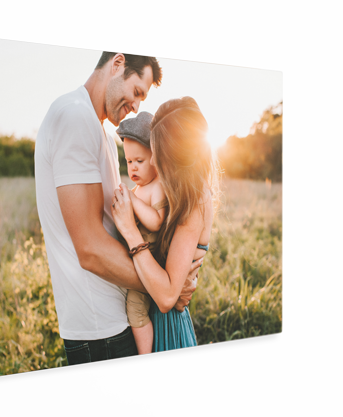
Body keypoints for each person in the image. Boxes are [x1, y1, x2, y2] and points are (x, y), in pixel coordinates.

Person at [35, 52, 202, 366]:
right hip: (102, 329)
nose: (137, 106)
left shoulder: (97, 129)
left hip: (113, 318)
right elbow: (90, 248)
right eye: (137, 92)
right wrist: (167, 289)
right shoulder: (74, 117)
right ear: (117, 64)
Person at [112, 97, 219, 352]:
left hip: (167, 327)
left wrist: (129, 231)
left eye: (157, 156)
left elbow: (168, 296)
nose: (154, 163)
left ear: (174, 158)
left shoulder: (194, 201)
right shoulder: (178, 194)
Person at [116, 111, 167, 354]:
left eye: (140, 161)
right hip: (135, 260)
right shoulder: (139, 188)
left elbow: (156, 222)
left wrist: (133, 202)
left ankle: (145, 354)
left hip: (149, 262)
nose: (133, 167)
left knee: (135, 310)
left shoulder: (156, 187)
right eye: (129, 162)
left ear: (155, 159)